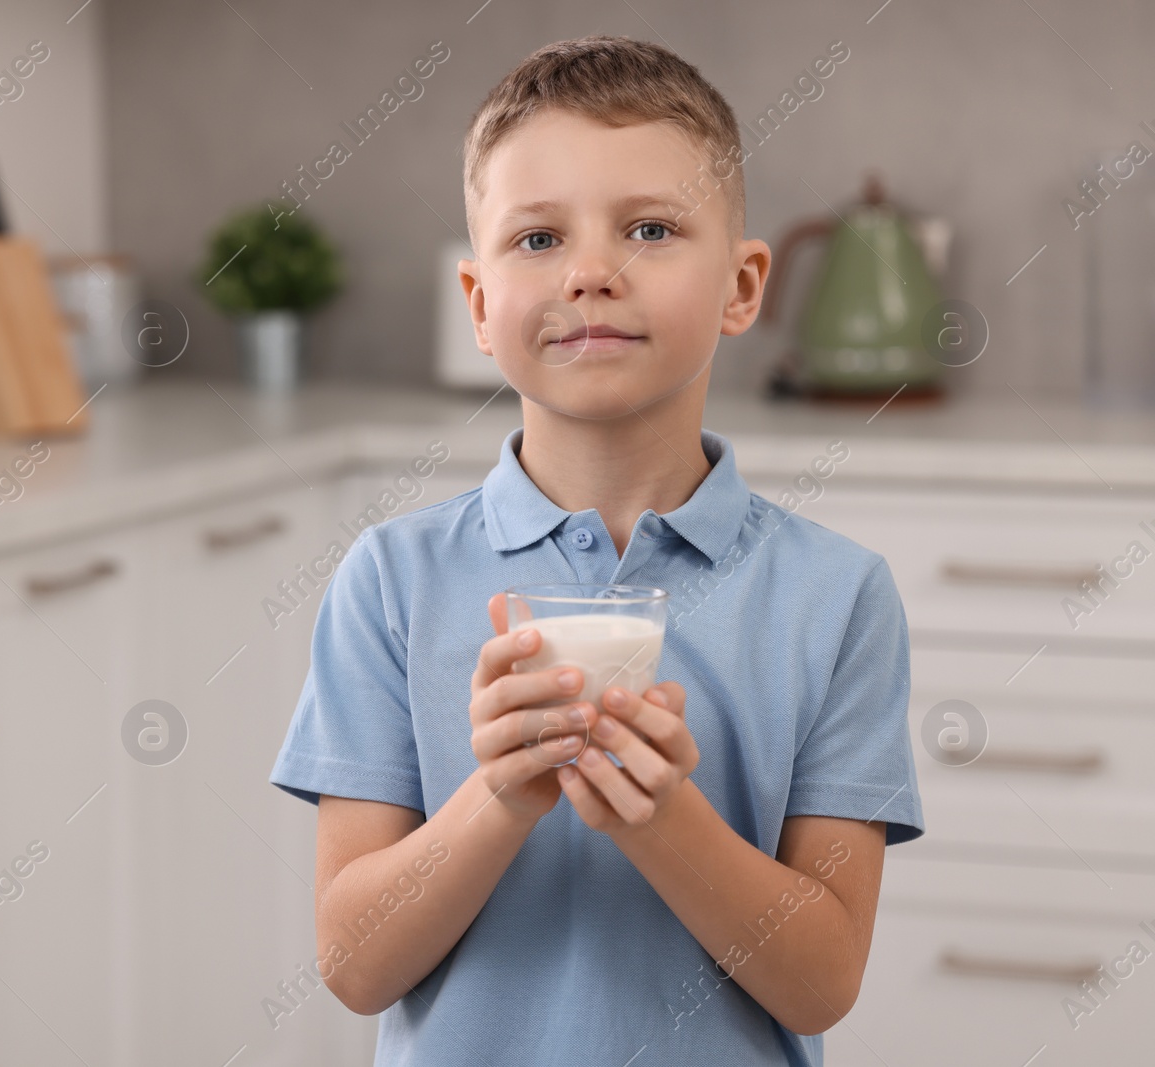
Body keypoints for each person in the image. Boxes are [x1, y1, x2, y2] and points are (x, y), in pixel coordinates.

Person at [269, 34, 923, 1065]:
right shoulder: (389, 581)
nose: (589, 273)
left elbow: (820, 982)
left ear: (742, 288)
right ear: (480, 306)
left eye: (650, 228)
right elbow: (355, 964)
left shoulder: (836, 596)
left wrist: (660, 816)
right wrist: (497, 796)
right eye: (536, 241)